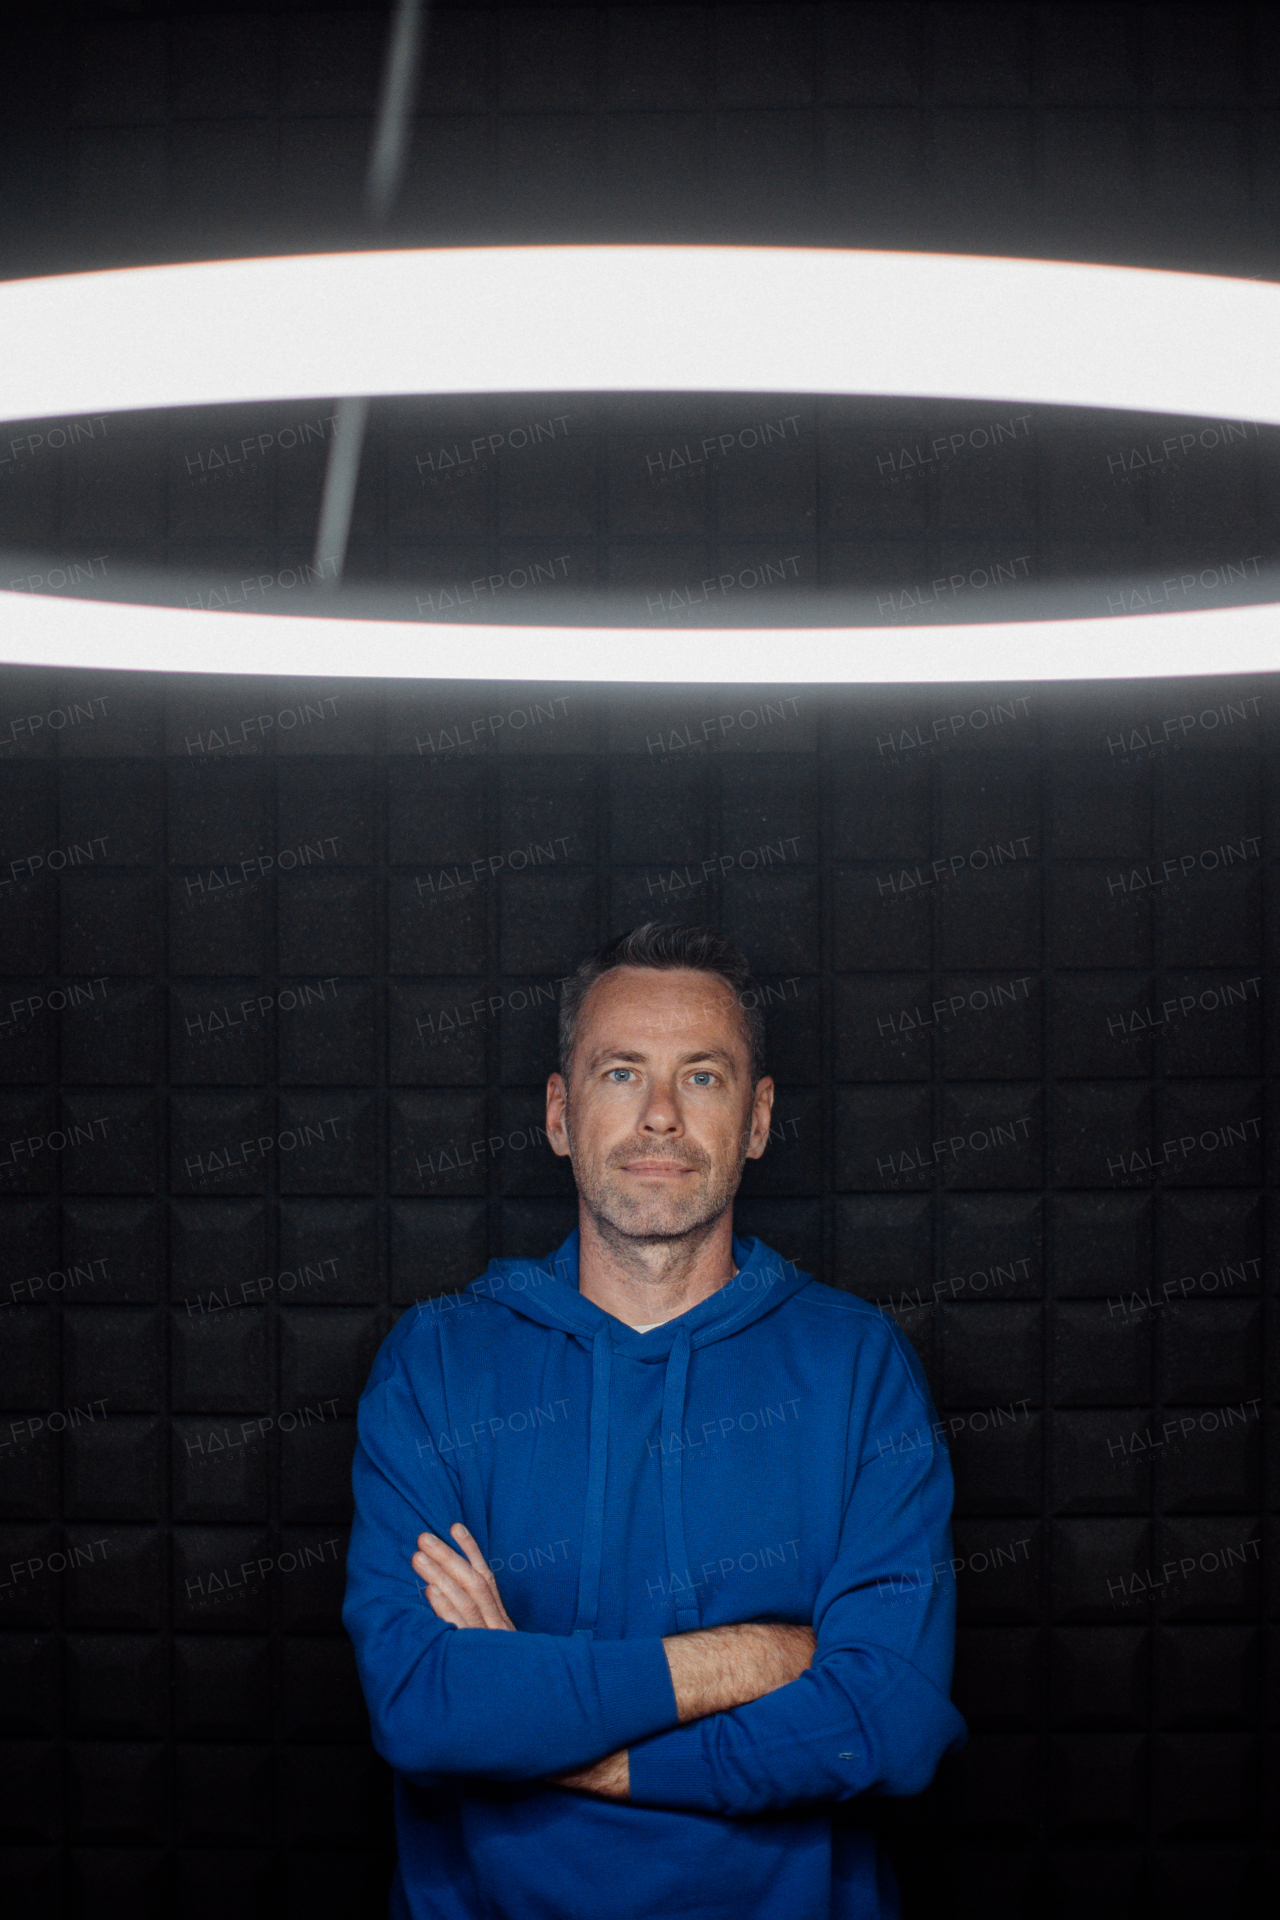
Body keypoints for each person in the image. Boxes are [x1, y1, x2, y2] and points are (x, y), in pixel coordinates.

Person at [343, 921, 966, 1919]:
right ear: (559, 1113)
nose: (662, 1118)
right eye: (622, 1073)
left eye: (704, 1078)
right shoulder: (439, 1364)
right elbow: (425, 1708)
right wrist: (756, 1658)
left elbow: (885, 1720)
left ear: (757, 1120)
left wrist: (558, 1733)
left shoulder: (856, 1368)